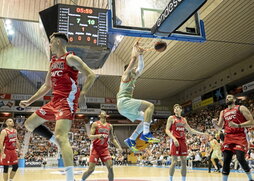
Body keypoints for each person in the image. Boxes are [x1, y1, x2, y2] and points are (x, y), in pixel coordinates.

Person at [19, 32, 96, 181]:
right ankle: (54, 141)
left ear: (58, 43)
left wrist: (83, 93)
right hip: (54, 102)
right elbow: (47, 85)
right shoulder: (53, 62)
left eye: (51, 42)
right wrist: (30, 101)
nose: (49, 45)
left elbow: (91, 75)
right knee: (29, 124)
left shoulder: (71, 58)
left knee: (62, 136)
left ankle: (70, 178)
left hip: (67, 102)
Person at [117, 41, 159, 152]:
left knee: (147, 119)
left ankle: (131, 139)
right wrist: (134, 48)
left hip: (124, 108)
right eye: (134, 69)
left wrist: (141, 54)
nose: (136, 69)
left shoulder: (133, 77)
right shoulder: (126, 75)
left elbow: (141, 66)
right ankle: (145, 133)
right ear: (129, 69)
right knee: (150, 106)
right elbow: (133, 60)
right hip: (124, 102)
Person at [212, 94, 254, 181]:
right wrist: (214, 123)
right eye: (226, 97)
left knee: (240, 158)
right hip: (228, 137)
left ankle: (250, 178)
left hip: (240, 135)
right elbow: (219, 127)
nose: (227, 98)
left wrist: (238, 125)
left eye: (230, 97)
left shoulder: (241, 108)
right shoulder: (223, 112)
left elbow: (252, 122)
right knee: (226, 159)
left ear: (234, 100)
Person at [165, 104, 207, 181]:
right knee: (174, 162)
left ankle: (183, 179)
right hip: (175, 140)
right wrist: (174, 139)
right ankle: (170, 179)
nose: (176, 109)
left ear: (181, 110)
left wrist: (202, 133)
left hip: (182, 141)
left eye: (178, 108)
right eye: (175, 108)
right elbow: (167, 130)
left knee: (184, 161)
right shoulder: (171, 118)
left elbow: (191, 130)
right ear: (174, 111)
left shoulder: (184, 119)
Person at [81, 110, 123, 181]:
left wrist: (119, 147)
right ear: (99, 115)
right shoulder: (95, 124)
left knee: (110, 167)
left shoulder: (110, 126)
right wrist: (98, 136)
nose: (104, 112)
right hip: (95, 148)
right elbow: (90, 137)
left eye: (105, 112)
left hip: (104, 149)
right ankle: (82, 180)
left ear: (106, 115)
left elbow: (112, 139)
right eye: (102, 112)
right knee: (91, 169)